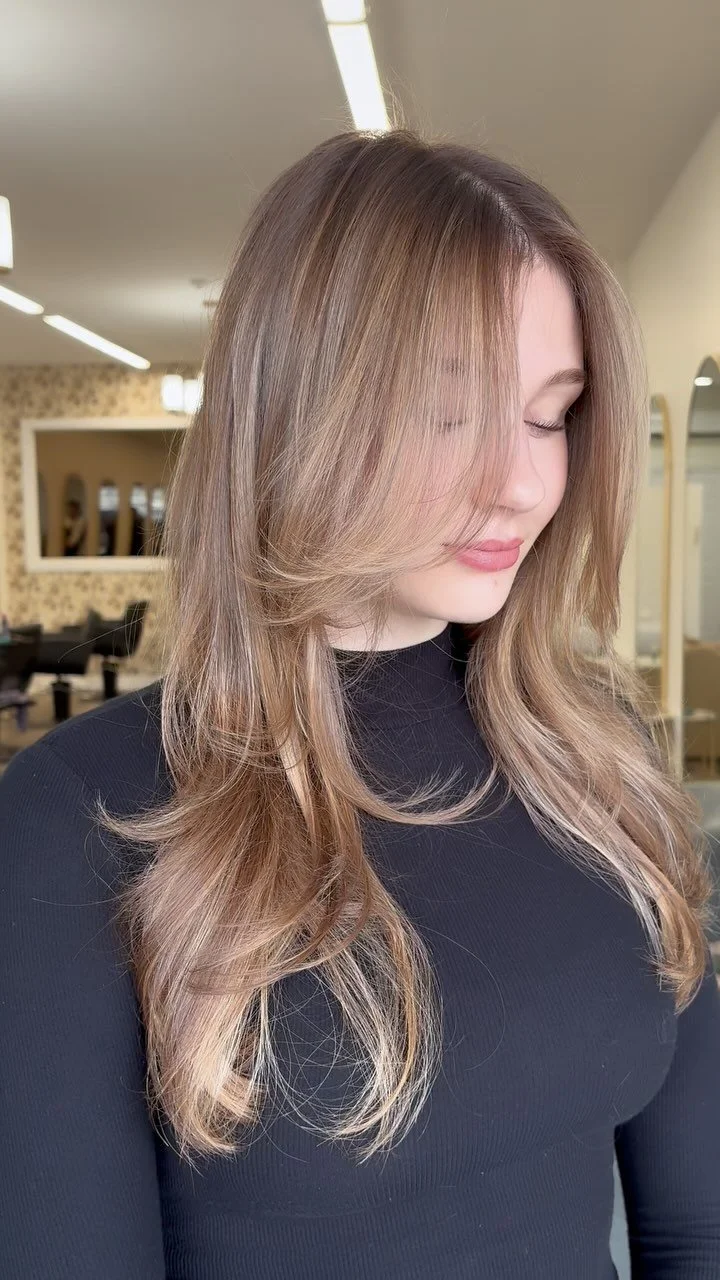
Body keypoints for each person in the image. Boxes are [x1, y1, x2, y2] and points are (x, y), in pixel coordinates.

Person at [1, 130, 719, 1280]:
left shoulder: (600, 764)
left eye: (550, 414)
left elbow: (697, 1224)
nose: (527, 480)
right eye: (451, 412)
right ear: (298, 410)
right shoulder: (82, 818)